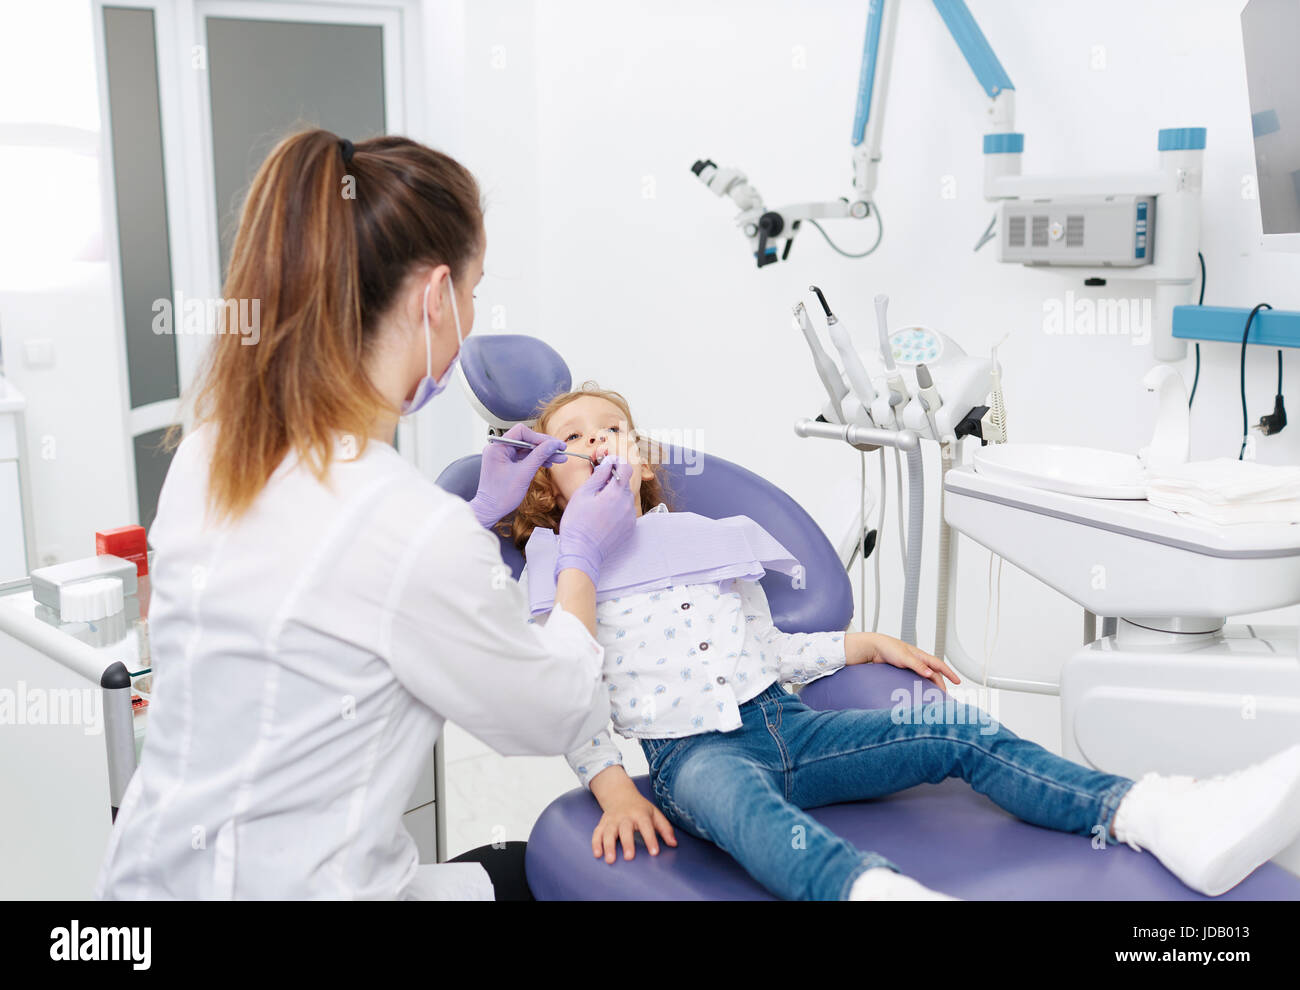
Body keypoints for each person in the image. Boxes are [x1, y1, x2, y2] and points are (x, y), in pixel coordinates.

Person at [95, 129, 637, 899]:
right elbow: (551, 712)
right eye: (475, 290)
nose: (474, 316)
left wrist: (477, 514)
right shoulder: (408, 528)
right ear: (434, 298)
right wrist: (580, 550)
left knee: (510, 865)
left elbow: (338, 582)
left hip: (146, 886)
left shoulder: (213, 450)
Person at [510, 382, 1300, 900]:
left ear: (646, 462)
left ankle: (1155, 813)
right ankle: (873, 893)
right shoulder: (558, 562)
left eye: (616, 427)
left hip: (788, 726)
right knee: (746, 812)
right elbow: (563, 692)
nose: (601, 439)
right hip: (695, 757)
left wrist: (858, 645)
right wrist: (613, 785)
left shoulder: (708, 539)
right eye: (574, 438)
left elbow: (766, 648)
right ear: (549, 481)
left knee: (958, 730)